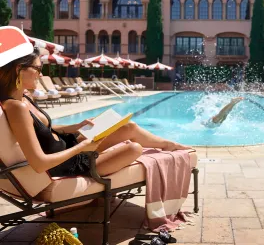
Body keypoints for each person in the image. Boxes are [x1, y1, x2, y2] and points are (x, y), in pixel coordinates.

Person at [0, 28, 190, 178]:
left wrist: (77, 125)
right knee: (134, 148)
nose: (41, 74)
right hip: (67, 165)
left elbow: (42, 129)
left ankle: (169, 145)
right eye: (38, 68)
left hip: (69, 146)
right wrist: (82, 148)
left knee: (128, 126)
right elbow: (39, 163)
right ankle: (168, 147)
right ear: (19, 69)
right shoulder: (16, 107)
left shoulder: (24, 98)